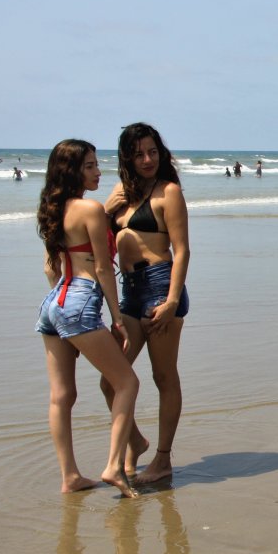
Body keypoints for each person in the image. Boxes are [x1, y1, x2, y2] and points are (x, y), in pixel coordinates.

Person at [35, 139, 140, 498]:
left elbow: (52, 267)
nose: (98, 171)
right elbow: (102, 269)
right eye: (91, 166)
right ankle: (113, 465)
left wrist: (65, 321)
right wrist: (118, 319)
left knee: (61, 397)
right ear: (74, 171)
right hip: (80, 302)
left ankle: (70, 477)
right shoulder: (90, 210)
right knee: (127, 383)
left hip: (53, 302)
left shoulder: (52, 209)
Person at [102, 123, 191, 485]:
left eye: (153, 151)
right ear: (128, 157)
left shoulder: (168, 191)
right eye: (139, 153)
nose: (147, 159)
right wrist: (107, 209)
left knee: (163, 376)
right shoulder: (122, 193)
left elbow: (183, 250)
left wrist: (172, 300)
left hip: (160, 287)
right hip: (130, 292)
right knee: (112, 380)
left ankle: (163, 459)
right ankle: (135, 442)